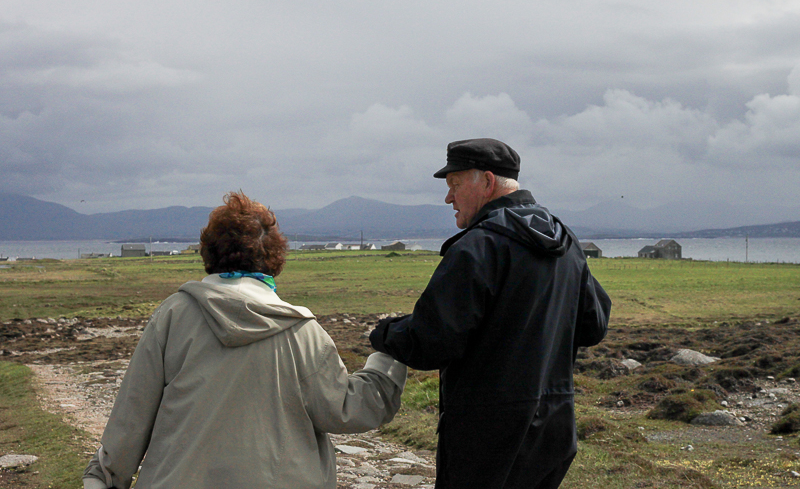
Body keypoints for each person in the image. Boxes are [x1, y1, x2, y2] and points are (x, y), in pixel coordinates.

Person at [83, 191, 407, 489]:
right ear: (275, 256)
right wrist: (391, 354)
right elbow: (346, 408)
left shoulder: (173, 315)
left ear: (209, 252)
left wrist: (103, 476)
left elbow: (131, 417)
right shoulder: (300, 331)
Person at [369, 138, 611, 489]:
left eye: (454, 185)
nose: (448, 198)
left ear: (486, 181)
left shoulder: (478, 246)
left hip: (486, 434)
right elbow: (594, 326)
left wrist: (384, 333)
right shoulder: (565, 241)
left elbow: (430, 343)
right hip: (554, 428)